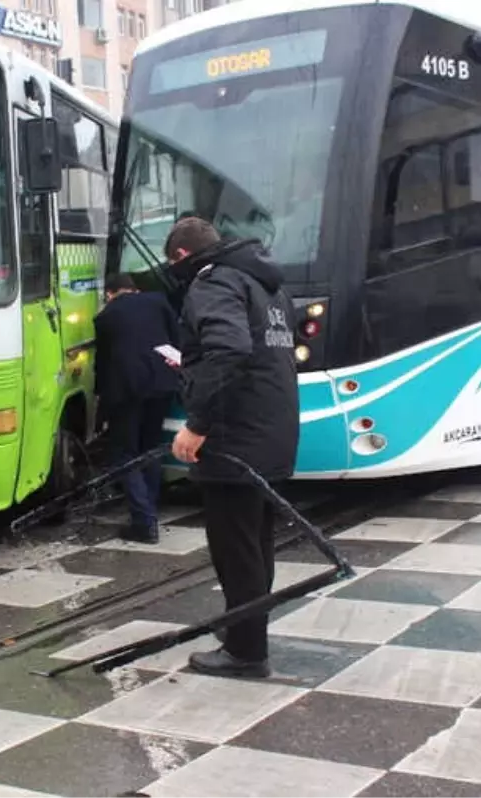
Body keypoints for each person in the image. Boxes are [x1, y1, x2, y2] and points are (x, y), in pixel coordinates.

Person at [165, 216, 300, 679]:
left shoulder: (214, 282)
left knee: (234, 546)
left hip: (234, 436)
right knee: (256, 542)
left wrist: (197, 424)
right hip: (272, 430)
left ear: (182, 256)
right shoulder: (268, 287)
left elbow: (229, 349)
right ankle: (246, 628)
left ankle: (245, 652)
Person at [94, 273, 181, 543]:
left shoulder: (106, 317)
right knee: (150, 448)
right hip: (162, 384)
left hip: (126, 391)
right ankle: (150, 508)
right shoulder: (159, 302)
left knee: (125, 453)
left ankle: (144, 522)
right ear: (135, 289)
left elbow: (104, 363)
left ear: (110, 293)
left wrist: (100, 400)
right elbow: (176, 339)